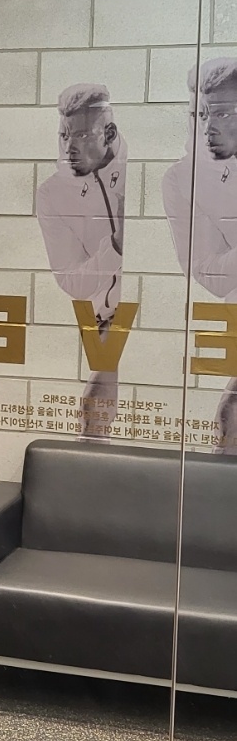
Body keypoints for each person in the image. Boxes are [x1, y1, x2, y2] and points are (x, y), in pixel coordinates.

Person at [36, 83, 127, 438]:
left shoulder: (144, 168)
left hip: (165, 308)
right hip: (108, 316)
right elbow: (71, 281)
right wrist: (115, 246)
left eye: (81, 135)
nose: (68, 147)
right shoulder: (52, 194)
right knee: (93, 413)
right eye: (64, 135)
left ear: (109, 134)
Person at [163, 57, 237, 452]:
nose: (208, 127)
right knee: (229, 422)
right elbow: (209, 272)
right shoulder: (184, 180)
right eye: (200, 114)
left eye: (222, 113)